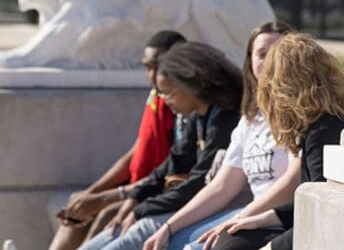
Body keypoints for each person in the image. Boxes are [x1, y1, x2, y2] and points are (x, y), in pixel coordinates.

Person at [143, 21, 300, 250]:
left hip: (281, 220)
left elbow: (292, 182)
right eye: (262, 54)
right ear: (250, 62)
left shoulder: (303, 112)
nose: (269, 61)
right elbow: (222, 187)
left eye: (278, 53)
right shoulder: (251, 119)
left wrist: (235, 221)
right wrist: (169, 226)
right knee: (172, 241)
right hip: (250, 215)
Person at [209, 32, 344, 250]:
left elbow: (325, 215)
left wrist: (271, 248)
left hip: (339, 233)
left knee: (231, 246)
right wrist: (268, 217)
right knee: (234, 236)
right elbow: (317, 201)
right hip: (336, 225)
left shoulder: (323, 131)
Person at [78, 41, 243, 250]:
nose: (164, 100)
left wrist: (142, 209)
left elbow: (198, 184)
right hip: (186, 206)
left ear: (192, 84)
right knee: (115, 228)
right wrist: (137, 197)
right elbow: (172, 164)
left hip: (212, 210)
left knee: (136, 232)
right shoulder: (200, 117)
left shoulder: (225, 119)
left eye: (168, 92)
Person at [49, 30, 186, 250]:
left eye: (158, 67)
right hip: (134, 186)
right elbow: (135, 153)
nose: (152, 75)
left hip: (152, 193)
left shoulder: (182, 105)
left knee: (106, 214)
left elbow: (171, 175)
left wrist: (106, 198)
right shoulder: (157, 96)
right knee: (75, 209)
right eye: (148, 67)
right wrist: (92, 192)